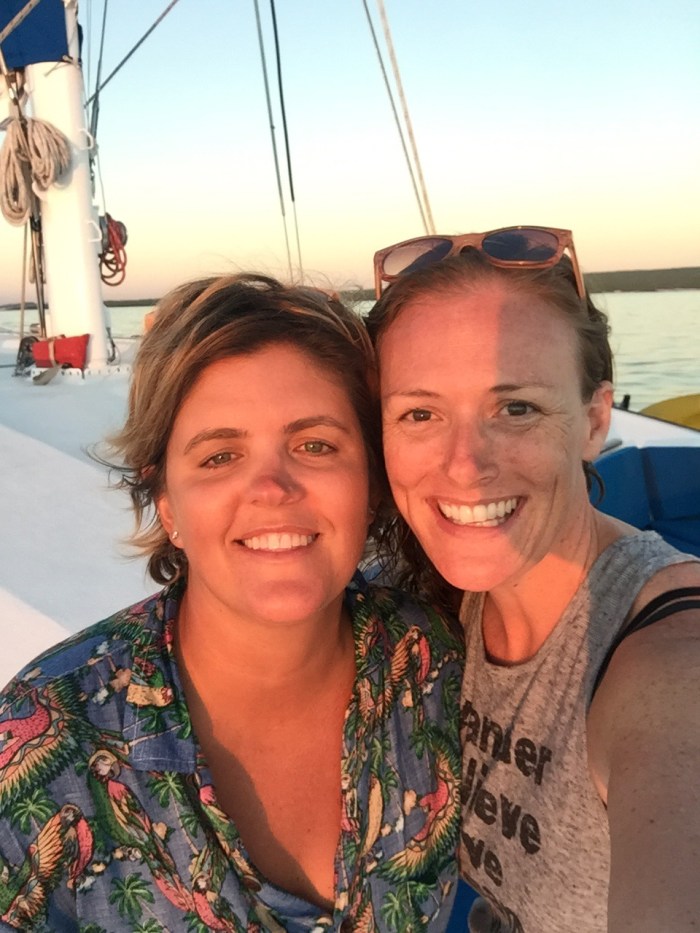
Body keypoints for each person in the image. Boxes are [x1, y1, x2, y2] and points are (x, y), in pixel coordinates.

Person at [0, 274, 464, 931]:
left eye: (315, 445)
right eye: (220, 456)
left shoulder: (436, 665)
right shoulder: (47, 738)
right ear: (167, 504)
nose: (272, 487)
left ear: (371, 483)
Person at [365, 227, 700, 932]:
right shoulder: (429, 597)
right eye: (420, 413)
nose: (464, 465)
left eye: (515, 408)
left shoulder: (667, 665)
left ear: (594, 421)